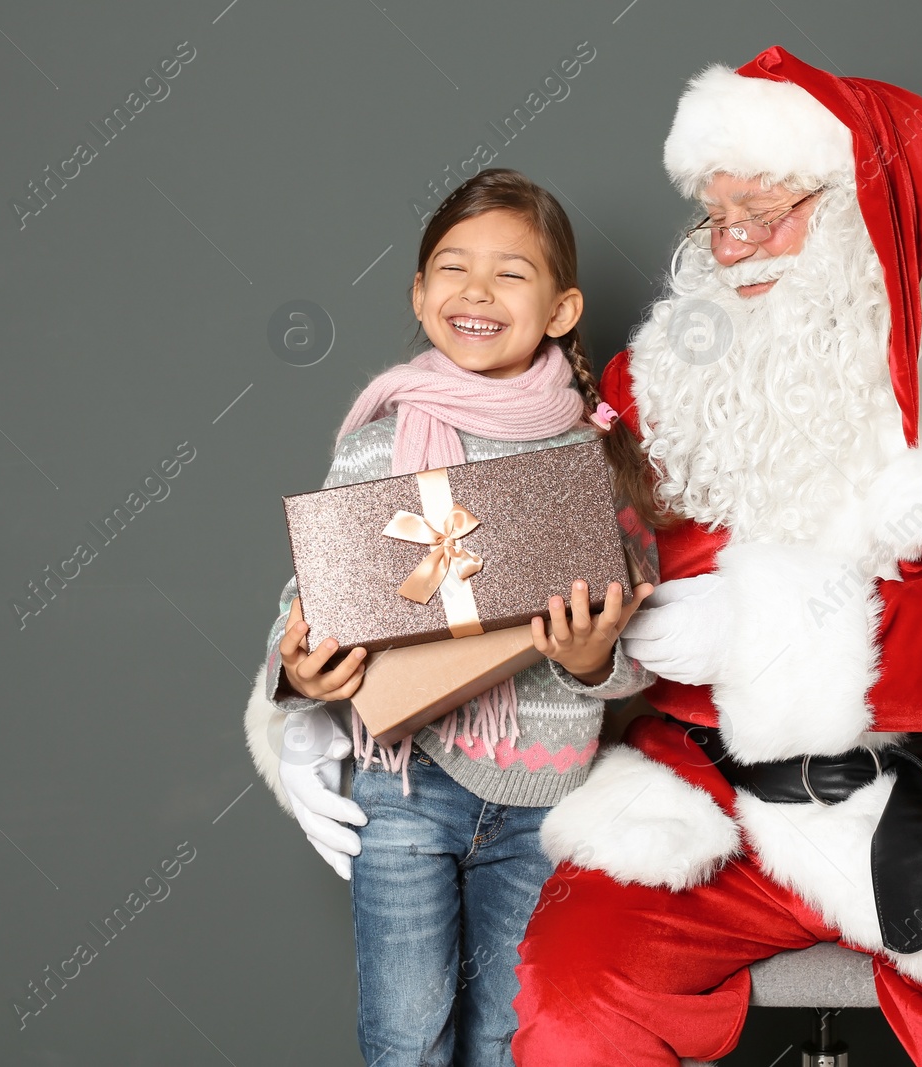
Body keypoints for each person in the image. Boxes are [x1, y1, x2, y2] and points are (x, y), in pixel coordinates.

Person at [509, 47, 922, 1066]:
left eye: (771, 214)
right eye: (719, 218)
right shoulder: (651, 384)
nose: (737, 248)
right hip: (706, 793)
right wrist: (589, 658)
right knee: (574, 1003)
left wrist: (763, 635)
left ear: (868, 210)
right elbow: (549, 567)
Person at [243, 168, 655, 1067]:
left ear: (560, 308)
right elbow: (314, 592)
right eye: (452, 268)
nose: (477, 290)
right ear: (420, 294)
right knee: (406, 1033)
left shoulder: (594, 451)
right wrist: (299, 670)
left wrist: (592, 663)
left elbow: (640, 648)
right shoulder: (379, 443)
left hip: (545, 794)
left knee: (508, 1035)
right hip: (403, 781)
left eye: (511, 272)